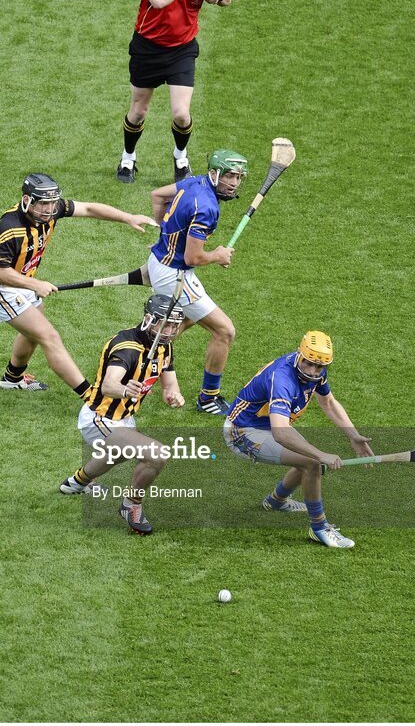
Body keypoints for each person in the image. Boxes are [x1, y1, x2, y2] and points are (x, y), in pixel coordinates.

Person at [0, 172, 156, 392]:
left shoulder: (52, 211)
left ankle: (12, 378)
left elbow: (89, 209)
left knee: (32, 334)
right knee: (49, 336)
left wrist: (127, 217)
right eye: (43, 203)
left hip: (22, 283)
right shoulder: (10, 227)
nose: (50, 209)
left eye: (53, 203)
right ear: (27, 200)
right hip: (1, 288)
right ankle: (89, 395)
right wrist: (35, 284)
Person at [223, 331, 374, 548]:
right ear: (299, 354)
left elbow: (328, 402)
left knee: (308, 460)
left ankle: (276, 501)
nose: (313, 371)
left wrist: (354, 436)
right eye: (309, 364)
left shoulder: (316, 370)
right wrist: (321, 455)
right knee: (312, 463)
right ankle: (319, 528)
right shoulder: (282, 378)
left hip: (269, 425)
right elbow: (281, 433)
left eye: (319, 367)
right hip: (242, 432)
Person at [116, 0, 231, 184]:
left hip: (182, 50)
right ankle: (128, 157)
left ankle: (181, 157)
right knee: (138, 111)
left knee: (181, 113)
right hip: (148, 48)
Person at [60, 294, 185, 535]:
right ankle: (131, 505)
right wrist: (125, 389)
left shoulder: (164, 346)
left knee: (116, 457)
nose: (170, 331)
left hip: (125, 419)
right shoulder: (128, 348)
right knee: (156, 455)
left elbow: (170, 384)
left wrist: (173, 395)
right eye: (165, 324)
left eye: (174, 325)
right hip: (100, 418)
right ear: (149, 320)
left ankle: (76, 483)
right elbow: (109, 385)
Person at [148, 148, 247, 415]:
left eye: (238, 178)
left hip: (159, 261)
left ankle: (145, 358)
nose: (234, 184)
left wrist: (164, 233)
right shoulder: (207, 207)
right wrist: (217, 255)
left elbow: (157, 196)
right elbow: (192, 257)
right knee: (224, 331)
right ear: (215, 173)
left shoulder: (194, 181)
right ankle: (208, 398)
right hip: (175, 275)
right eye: (230, 177)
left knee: (188, 318)